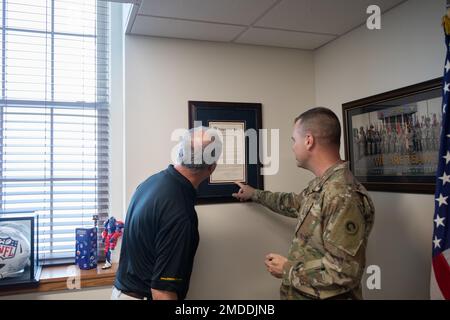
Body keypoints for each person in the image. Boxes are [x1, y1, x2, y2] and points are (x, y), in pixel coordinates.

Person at [232, 107, 375, 300]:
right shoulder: (322, 186)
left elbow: (344, 273)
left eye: (294, 140)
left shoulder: (342, 195)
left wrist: (287, 269)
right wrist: (254, 194)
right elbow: (293, 203)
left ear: (308, 141)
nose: (293, 147)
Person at [112, 127, 221, 300]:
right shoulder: (181, 214)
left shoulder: (150, 183)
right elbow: (162, 292)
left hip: (120, 293)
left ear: (180, 153)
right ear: (212, 167)